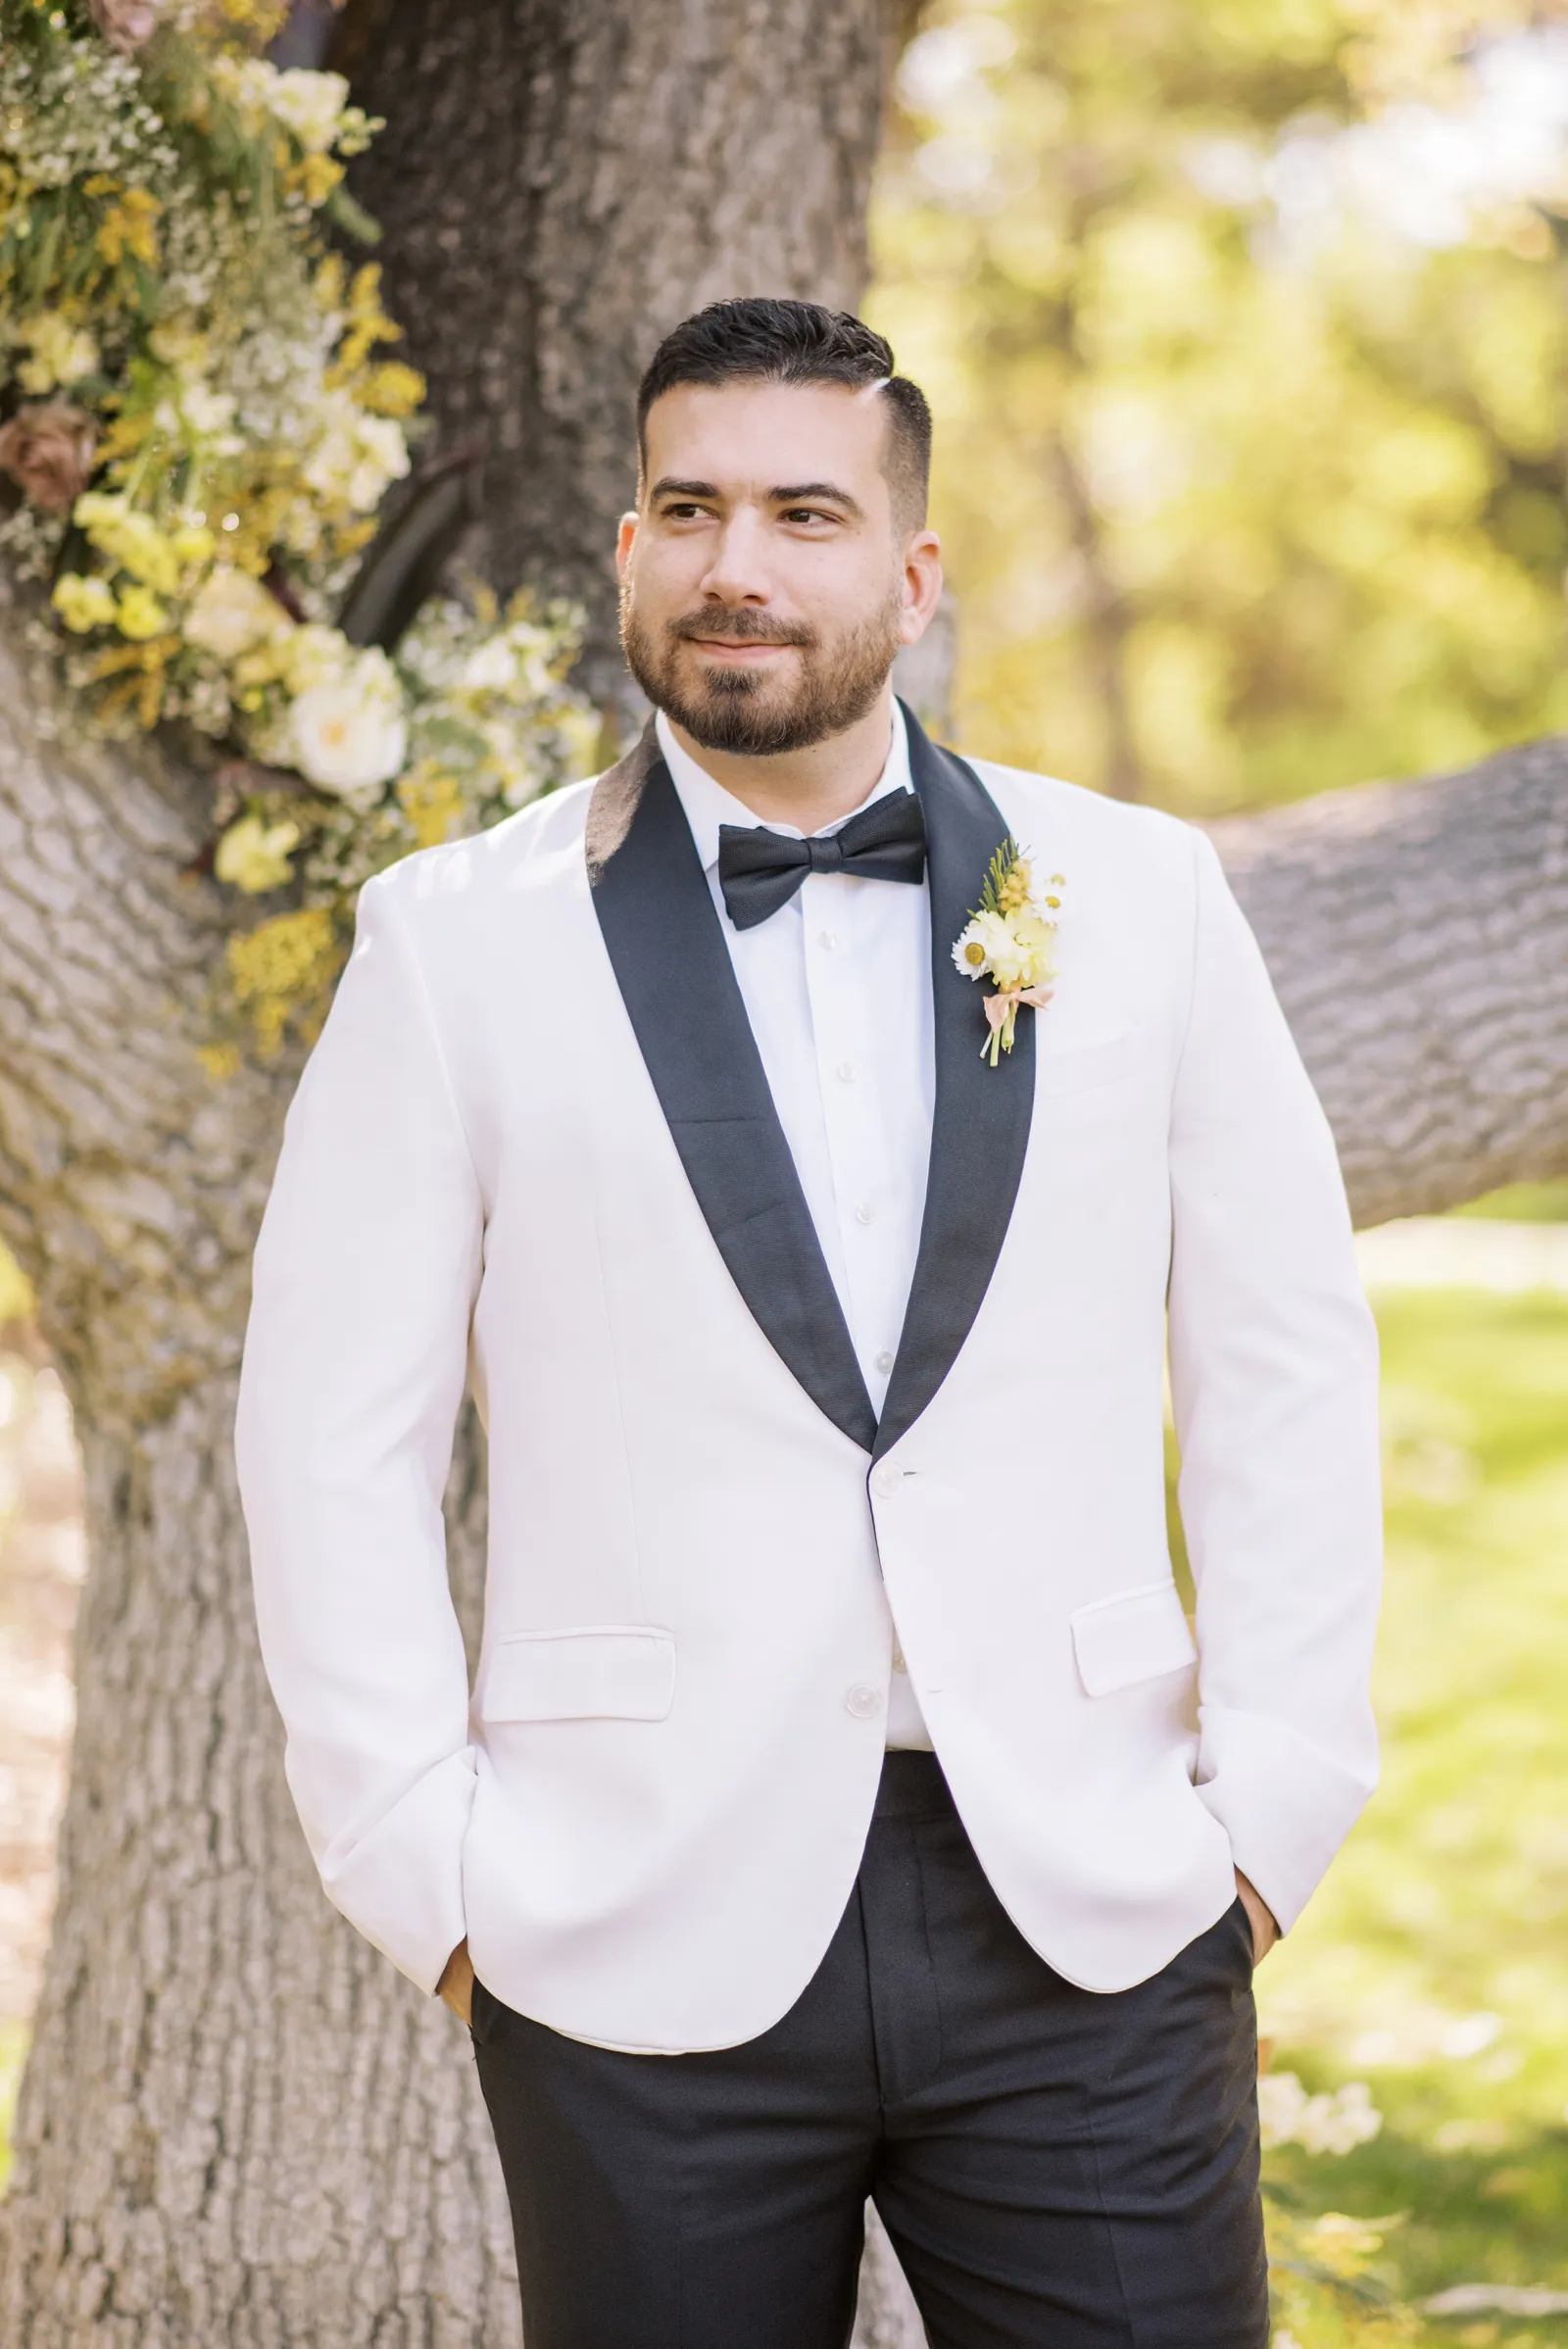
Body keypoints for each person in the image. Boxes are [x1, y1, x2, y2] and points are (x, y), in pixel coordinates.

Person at [236, 297, 1383, 2348]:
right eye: (684, 507)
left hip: (1091, 1911)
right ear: (626, 549)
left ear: (913, 573)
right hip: (620, 1915)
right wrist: (432, 1872)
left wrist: (1267, 1811)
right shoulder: (451, 946)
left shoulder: (1139, 898)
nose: (733, 565)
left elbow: (1281, 1369)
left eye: (801, 511)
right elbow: (333, 1439)